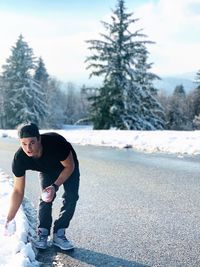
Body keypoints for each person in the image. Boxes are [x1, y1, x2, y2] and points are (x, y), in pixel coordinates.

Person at [5, 122, 80, 250]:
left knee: (71, 197)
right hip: (46, 170)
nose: (28, 148)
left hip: (68, 167)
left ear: (39, 139)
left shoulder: (56, 143)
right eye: (23, 144)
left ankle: (59, 233)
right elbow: (18, 191)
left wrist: (55, 186)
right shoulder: (19, 159)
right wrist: (9, 218)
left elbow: (70, 166)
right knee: (46, 197)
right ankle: (43, 232)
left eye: (32, 143)